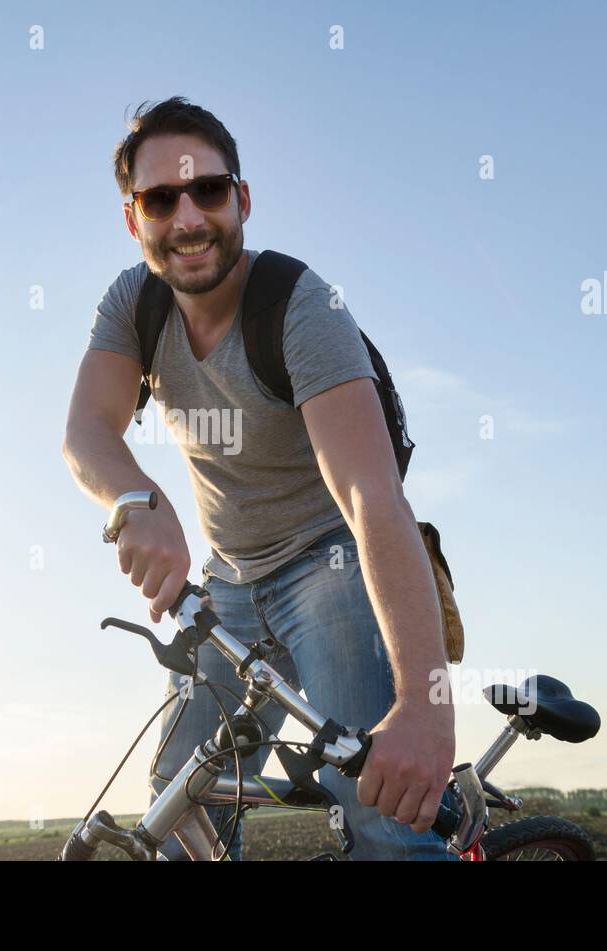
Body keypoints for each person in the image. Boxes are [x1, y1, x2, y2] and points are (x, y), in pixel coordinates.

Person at [62, 96, 458, 861]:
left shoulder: (300, 307)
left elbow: (373, 496)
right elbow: (86, 431)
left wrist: (423, 705)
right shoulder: (133, 303)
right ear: (133, 218)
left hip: (332, 566)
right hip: (228, 582)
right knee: (180, 803)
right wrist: (135, 498)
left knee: (380, 809)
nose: (187, 218)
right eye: (159, 199)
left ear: (241, 199)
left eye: (207, 190)